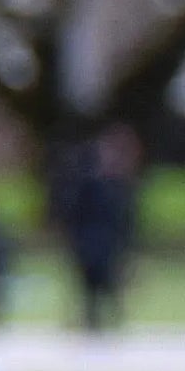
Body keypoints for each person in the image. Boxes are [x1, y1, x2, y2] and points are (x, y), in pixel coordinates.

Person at [54, 130, 144, 335]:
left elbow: (126, 220)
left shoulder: (119, 186)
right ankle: (91, 319)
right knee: (89, 286)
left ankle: (108, 318)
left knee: (108, 283)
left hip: (108, 244)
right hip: (88, 243)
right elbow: (73, 213)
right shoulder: (87, 183)